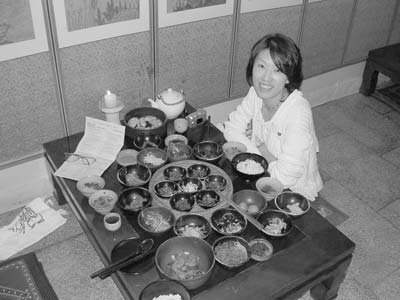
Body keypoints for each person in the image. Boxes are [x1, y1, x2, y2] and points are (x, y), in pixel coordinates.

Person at [222, 33, 322, 200]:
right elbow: (231, 128)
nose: (265, 78)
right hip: (260, 172)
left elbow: (286, 177)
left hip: (292, 190)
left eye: (277, 70)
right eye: (261, 66)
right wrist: (260, 154)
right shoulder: (255, 92)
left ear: (289, 77)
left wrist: (252, 158)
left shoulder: (297, 112)